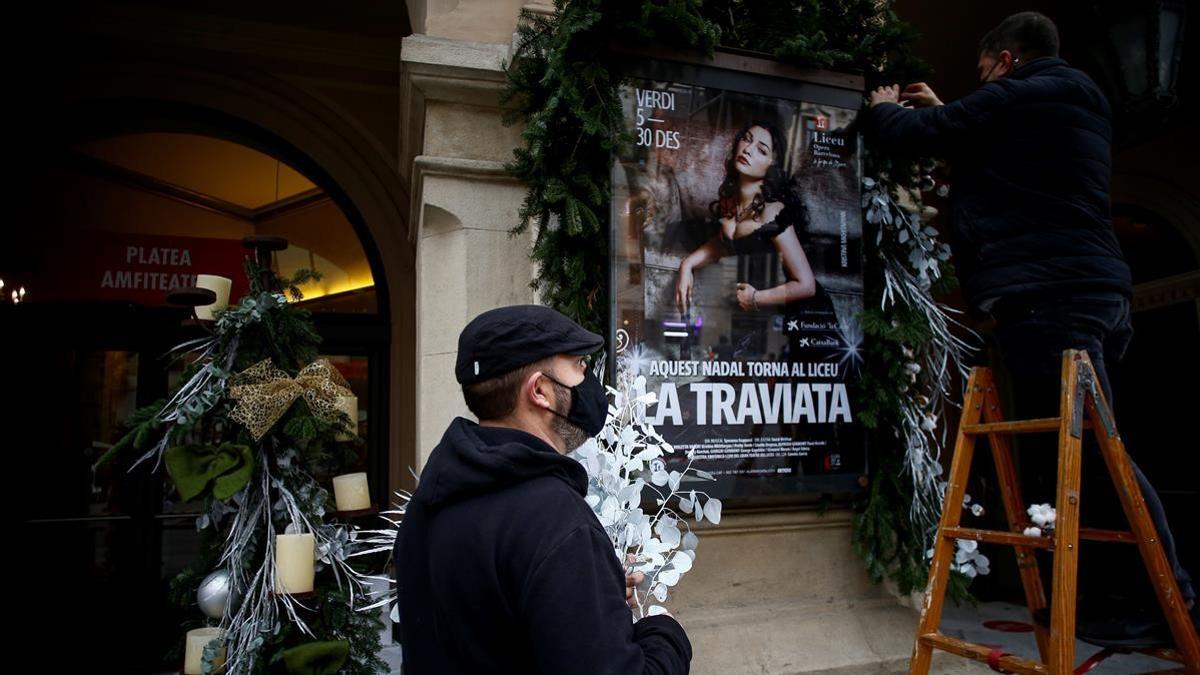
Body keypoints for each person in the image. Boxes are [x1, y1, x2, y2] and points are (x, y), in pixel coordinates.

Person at [865, 11, 1195, 644]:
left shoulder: (1029, 91)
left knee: (1098, 454)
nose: (984, 81)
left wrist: (885, 108)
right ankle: (1121, 597)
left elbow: (925, 131)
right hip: (1085, 291)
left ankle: (1167, 598)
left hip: (1053, 297)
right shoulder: (1064, 97)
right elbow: (1002, 149)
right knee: (1086, 452)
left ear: (1007, 61)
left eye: (986, 71)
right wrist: (969, 109)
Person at [393, 304, 693, 673]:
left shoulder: (428, 503)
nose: (589, 379)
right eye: (579, 366)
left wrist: (594, 598)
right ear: (540, 391)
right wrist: (666, 634)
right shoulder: (554, 519)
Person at [674, 121, 828, 317]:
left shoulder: (772, 212)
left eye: (761, 150)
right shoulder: (730, 202)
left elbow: (807, 285)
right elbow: (725, 243)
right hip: (761, 315)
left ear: (772, 165)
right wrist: (687, 264)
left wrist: (756, 298)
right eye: (746, 140)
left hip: (800, 317)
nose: (748, 150)